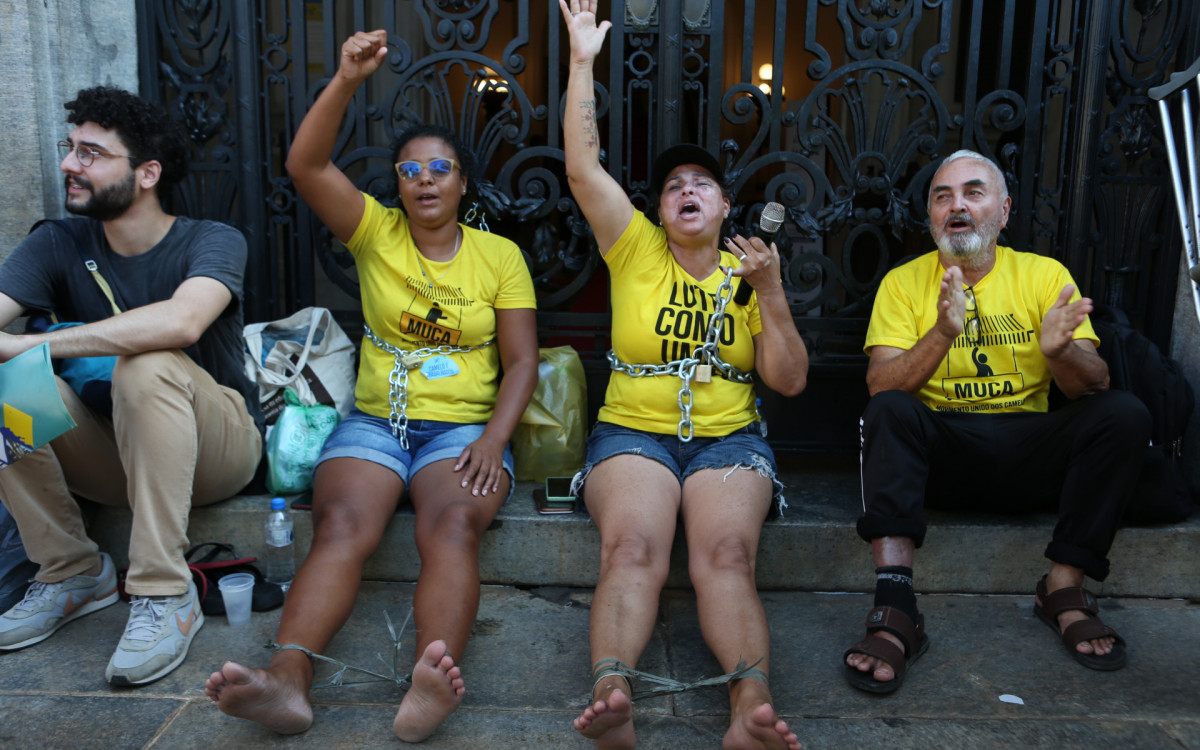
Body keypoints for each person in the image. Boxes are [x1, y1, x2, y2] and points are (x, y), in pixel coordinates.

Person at [205, 29, 539, 742]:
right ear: (398, 182)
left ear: (462, 183)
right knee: (341, 526)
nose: (424, 179)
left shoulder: (499, 256)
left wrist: (493, 438)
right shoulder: (375, 232)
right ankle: (288, 682)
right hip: (375, 422)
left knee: (450, 526)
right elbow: (304, 163)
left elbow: (521, 362)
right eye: (411, 169)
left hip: (463, 431)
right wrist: (349, 78)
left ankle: (430, 677)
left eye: (440, 167)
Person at [561, 3, 807, 749]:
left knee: (727, 557)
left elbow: (789, 381)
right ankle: (613, 694)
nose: (686, 190)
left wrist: (769, 291)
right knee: (632, 548)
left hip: (727, 439)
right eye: (673, 186)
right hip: (634, 432)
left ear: (728, 205)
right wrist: (581, 61)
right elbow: (581, 166)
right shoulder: (633, 248)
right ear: (658, 209)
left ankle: (750, 710)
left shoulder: (752, 269)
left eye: (702, 182)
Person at [844, 149, 1151, 693]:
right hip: (942, 457)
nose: (956, 206)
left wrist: (1060, 352)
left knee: (1122, 413)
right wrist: (942, 333)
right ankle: (896, 607)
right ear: (932, 216)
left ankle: (1062, 587)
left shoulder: (1043, 275)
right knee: (888, 409)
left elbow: (1094, 383)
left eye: (973, 192)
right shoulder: (903, 282)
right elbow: (879, 385)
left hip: (1029, 450)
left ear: (1004, 211)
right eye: (942, 197)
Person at [0, 86, 264, 685]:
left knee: (146, 360)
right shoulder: (58, 242)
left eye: (91, 153)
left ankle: (165, 592)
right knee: (3, 384)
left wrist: (28, 343)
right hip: (113, 457)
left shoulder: (212, 239)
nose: (69, 165)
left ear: (147, 173)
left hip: (218, 451)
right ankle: (70, 571)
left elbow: (182, 321)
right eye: (69, 149)